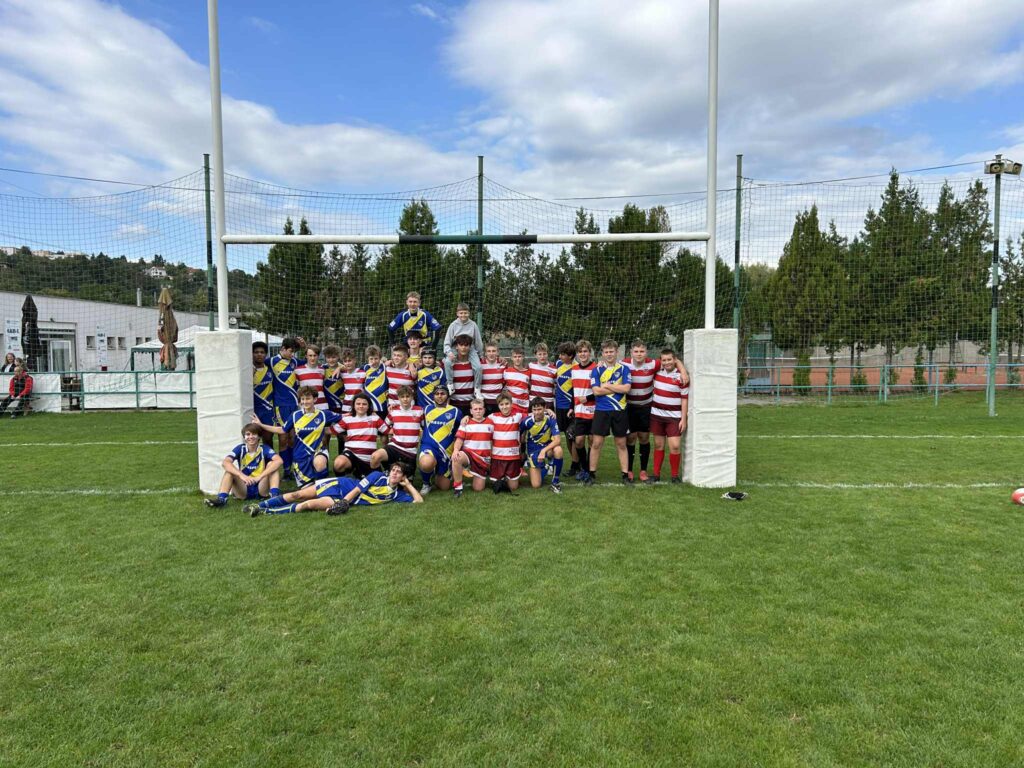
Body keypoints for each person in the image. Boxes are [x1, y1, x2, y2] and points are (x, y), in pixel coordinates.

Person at [622, 340, 690, 482]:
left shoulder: (655, 364)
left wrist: (683, 371)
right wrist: (601, 363)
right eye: (636, 351)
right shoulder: (624, 363)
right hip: (630, 407)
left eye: (642, 351)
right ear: (631, 352)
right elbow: (609, 365)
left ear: (646, 352)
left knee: (645, 438)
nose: (639, 354)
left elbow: (673, 360)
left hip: (647, 407)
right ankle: (629, 470)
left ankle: (644, 471)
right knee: (631, 438)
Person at [246, 463, 422, 516]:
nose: (394, 473)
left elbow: (419, 501)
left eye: (399, 472)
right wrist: (345, 502)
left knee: (307, 505)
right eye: (393, 470)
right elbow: (357, 490)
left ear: (403, 477)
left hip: (340, 499)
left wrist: (408, 485)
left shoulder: (396, 494)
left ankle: (266, 512)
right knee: (297, 494)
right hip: (340, 486)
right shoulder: (377, 476)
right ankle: (260, 505)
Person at [252, 385, 341, 486]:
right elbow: (282, 430)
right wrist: (261, 425)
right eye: (302, 399)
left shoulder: (323, 414)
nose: (305, 402)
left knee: (320, 464)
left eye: (308, 398)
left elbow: (343, 418)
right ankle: (313, 485)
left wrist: (331, 429)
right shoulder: (295, 415)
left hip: (318, 450)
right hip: (300, 455)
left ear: (315, 399)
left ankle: (322, 486)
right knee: (306, 489)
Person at [204, 424, 283, 507]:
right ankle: (222, 500)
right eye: (248, 434)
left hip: (261, 486)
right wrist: (242, 476)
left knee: (272, 465)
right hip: (244, 487)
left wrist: (259, 477)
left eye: (254, 434)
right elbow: (225, 462)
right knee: (229, 471)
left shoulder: (264, 448)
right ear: (244, 437)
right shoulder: (240, 448)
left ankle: (274, 497)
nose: (251, 437)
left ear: (259, 436)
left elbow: (279, 461)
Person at [587, 340, 632, 485]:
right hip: (602, 411)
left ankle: (625, 475)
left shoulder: (624, 369)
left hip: (619, 410)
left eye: (611, 351)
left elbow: (626, 389)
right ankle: (591, 474)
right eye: (606, 352)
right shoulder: (597, 370)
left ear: (616, 352)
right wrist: (616, 387)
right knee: (596, 443)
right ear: (603, 353)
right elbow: (596, 391)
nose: (609, 354)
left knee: (621, 443)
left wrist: (606, 385)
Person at [649, 348, 689, 484]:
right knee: (658, 445)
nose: (667, 362)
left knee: (675, 446)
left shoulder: (682, 376)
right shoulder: (657, 372)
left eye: (669, 359)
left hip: (674, 417)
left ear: (675, 360)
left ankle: (674, 476)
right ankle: (656, 475)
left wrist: (684, 418)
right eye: (664, 360)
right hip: (657, 415)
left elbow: (684, 399)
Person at [331, 392, 388, 478]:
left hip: (369, 459)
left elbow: (388, 431)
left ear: (369, 406)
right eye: (358, 404)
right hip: (351, 454)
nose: (361, 406)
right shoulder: (347, 419)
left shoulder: (375, 418)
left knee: (375, 482)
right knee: (339, 463)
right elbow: (331, 430)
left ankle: (357, 472)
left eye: (364, 404)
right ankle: (342, 481)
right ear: (353, 405)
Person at [417, 385, 461, 494]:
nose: (440, 396)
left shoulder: (456, 411)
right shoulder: (426, 409)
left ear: (448, 395)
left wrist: (467, 418)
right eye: (437, 394)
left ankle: (435, 471)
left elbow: (462, 430)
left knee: (444, 487)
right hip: (429, 447)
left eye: (442, 393)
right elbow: (411, 414)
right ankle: (426, 483)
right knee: (426, 463)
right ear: (433, 396)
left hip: (445, 452)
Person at [268, 336, 303, 472]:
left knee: (293, 438)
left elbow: (311, 361)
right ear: (283, 349)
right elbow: (255, 363)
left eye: (294, 351)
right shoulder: (272, 361)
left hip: (294, 405)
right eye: (290, 351)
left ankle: (293, 468)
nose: (292, 354)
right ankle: (286, 470)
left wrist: (304, 346)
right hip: (280, 405)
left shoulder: (294, 361)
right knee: (283, 438)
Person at [372, 385, 422, 472]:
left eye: (407, 396)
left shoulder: (419, 411)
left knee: (404, 479)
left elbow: (425, 426)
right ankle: (383, 474)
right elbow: (384, 427)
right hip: (394, 446)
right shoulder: (393, 411)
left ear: (412, 397)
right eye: (402, 397)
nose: (405, 399)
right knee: (375, 457)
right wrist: (391, 430)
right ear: (398, 398)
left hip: (410, 452)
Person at [450, 398, 494, 496]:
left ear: (484, 410)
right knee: (457, 457)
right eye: (475, 409)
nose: (478, 411)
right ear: (471, 411)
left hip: (483, 458)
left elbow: (494, 441)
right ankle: (458, 487)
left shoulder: (491, 423)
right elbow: (459, 440)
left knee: (478, 488)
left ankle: (477, 473)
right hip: (469, 454)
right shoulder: (465, 423)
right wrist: (456, 450)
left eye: (480, 409)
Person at [521, 396, 564, 493]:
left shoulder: (551, 418)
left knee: (558, 450)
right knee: (536, 485)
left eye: (539, 409)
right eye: (534, 410)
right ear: (531, 410)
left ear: (545, 408)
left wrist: (543, 451)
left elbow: (557, 440)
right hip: (533, 450)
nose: (537, 412)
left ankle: (555, 482)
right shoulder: (526, 421)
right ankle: (546, 467)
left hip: (547, 448)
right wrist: (522, 452)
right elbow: (519, 436)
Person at [486, 391, 523, 493]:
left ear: (511, 404)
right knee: (496, 485)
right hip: (497, 457)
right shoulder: (492, 417)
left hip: (513, 457)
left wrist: (547, 410)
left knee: (513, 487)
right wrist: (466, 417)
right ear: (498, 406)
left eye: (507, 404)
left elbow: (534, 415)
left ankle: (512, 475)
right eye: (501, 404)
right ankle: (502, 477)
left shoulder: (518, 416)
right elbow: (479, 420)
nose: (505, 407)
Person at [571, 340, 597, 481]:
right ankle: (585, 467)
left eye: (585, 351)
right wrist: (571, 407)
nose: (583, 354)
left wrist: (587, 398)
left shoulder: (596, 368)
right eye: (580, 351)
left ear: (589, 352)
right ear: (577, 354)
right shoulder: (574, 370)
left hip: (593, 411)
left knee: (592, 441)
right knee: (579, 441)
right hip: (579, 411)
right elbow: (573, 390)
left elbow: (600, 391)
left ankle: (589, 471)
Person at [443, 302, 483, 393]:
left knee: (478, 367)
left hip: (470, 348)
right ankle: (450, 384)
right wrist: (449, 352)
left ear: (469, 313)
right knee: (447, 362)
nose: (463, 315)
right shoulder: (453, 325)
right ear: (457, 314)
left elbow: (478, 341)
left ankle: (477, 389)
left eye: (465, 313)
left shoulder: (473, 325)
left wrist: (480, 355)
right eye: (461, 313)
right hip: (456, 347)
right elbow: (447, 342)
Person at [554, 342, 579, 475]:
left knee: (573, 436)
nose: (560, 356)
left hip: (571, 408)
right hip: (559, 407)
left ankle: (575, 465)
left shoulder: (577, 368)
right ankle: (576, 463)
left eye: (563, 354)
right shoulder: (558, 364)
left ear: (570, 356)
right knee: (567, 435)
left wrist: (573, 406)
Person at [252, 341, 275, 446]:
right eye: (256, 352)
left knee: (268, 438)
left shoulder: (270, 370)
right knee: (253, 438)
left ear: (266, 354)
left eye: (262, 352)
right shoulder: (246, 371)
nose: (259, 354)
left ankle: (270, 456)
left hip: (268, 409)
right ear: (252, 354)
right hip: (253, 409)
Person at [448, 334, 476, 417]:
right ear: (456, 347)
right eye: (461, 345)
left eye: (466, 345)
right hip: (453, 403)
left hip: (470, 404)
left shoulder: (475, 365)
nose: (463, 348)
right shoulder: (449, 365)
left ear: (470, 347)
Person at [295, 343, 327, 411]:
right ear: (306, 356)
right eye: (310, 355)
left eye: (315, 355)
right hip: (306, 407)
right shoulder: (298, 371)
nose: (313, 358)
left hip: (322, 406)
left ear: (318, 356)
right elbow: (296, 390)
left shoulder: (323, 370)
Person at [385, 343, 416, 413]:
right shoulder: (388, 368)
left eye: (399, 356)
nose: (396, 357)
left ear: (406, 357)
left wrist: (411, 364)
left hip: (409, 407)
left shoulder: (412, 369)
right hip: (392, 407)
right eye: (394, 355)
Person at [361, 345, 389, 416]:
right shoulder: (365, 368)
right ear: (367, 359)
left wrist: (389, 361)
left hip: (382, 405)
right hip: (369, 406)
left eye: (376, 358)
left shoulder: (384, 367)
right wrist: (339, 368)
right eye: (371, 359)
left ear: (380, 358)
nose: (374, 361)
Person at [503, 347, 530, 416]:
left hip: (524, 406)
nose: (517, 359)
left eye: (519, 356)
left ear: (523, 357)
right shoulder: (506, 371)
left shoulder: (529, 372)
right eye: (515, 357)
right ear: (511, 358)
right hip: (512, 406)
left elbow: (530, 388)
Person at [528, 343, 557, 408]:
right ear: (535, 355)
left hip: (548, 402)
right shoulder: (530, 366)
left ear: (548, 354)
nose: (542, 356)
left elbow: (556, 386)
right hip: (533, 402)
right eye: (540, 354)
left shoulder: (554, 369)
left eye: (544, 354)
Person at [480, 343, 505, 415]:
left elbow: (505, 382)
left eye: (494, 351)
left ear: (497, 352)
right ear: (485, 353)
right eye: (489, 351)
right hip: (483, 401)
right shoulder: (480, 364)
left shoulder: (503, 364)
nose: (491, 353)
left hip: (498, 401)